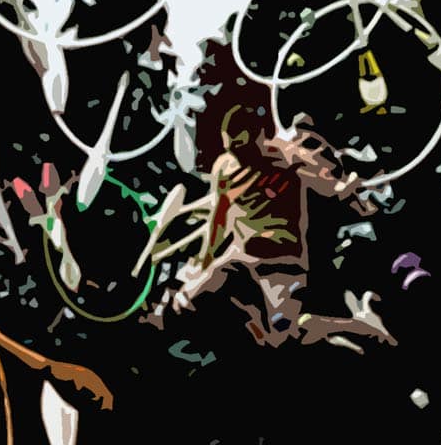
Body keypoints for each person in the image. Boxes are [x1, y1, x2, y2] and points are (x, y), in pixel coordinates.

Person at [140, 105, 396, 350]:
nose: (234, 148)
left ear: (259, 136)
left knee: (288, 333)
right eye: (230, 142)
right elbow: (219, 218)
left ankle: (361, 327)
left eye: (240, 142)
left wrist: (348, 187)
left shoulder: (285, 157)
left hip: (281, 261)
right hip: (241, 256)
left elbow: (329, 187)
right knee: (191, 298)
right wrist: (205, 258)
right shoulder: (226, 166)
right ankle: (158, 323)